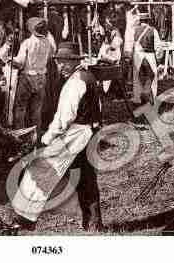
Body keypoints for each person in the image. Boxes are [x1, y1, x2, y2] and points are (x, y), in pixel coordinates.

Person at [11, 42, 103, 232]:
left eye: (64, 62)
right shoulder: (88, 77)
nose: (60, 66)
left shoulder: (76, 82)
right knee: (86, 177)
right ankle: (93, 223)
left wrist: (46, 139)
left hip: (76, 134)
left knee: (40, 168)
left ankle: (26, 218)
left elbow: (63, 119)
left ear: (73, 61)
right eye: (59, 62)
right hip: (89, 132)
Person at [11, 17, 56, 135]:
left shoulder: (27, 43)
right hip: (41, 77)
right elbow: (51, 55)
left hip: (28, 77)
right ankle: (36, 135)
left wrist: (11, 60)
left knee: (21, 107)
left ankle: (19, 134)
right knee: (36, 109)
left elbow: (20, 63)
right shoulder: (47, 42)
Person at [129, 15, 161, 105]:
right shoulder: (153, 30)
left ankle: (137, 98)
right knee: (153, 75)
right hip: (149, 55)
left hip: (138, 56)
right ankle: (152, 96)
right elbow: (158, 46)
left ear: (140, 21)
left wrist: (131, 56)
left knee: (136, 77)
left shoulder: (134, 30)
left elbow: (131, 44)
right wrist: (158, 58)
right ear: (148, 20)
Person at [97, 17, 123, 93]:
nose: (106, 25)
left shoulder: (116, 32)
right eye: (105, 23)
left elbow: (114, 46)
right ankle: (102, 88)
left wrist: (108, 47)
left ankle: (106, 90)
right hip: (108, 54)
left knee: (109, 72)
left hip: (114, 55)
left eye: (107, 23)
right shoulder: (107, 31)